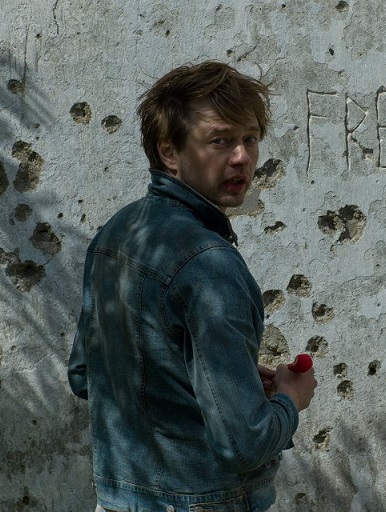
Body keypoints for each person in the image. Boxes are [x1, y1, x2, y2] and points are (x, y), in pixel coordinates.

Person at [68, 61, 317, 512]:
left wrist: (218, 383)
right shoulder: (209, 266)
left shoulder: (115, 233)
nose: (241, 157)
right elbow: (244, 444)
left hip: (118, 500)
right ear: (169, 153)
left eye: (250, 138)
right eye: (220, 140)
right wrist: (289, 399)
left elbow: (85, 375)